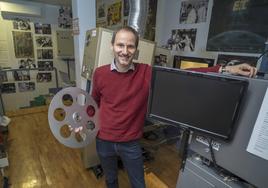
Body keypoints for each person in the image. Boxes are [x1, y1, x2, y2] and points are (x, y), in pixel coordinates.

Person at [90, 26, 257, 188]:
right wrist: (83, 123)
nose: (125, 51)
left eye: (130, 46)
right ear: (112, 46)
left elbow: (185, 74)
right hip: (104, 140)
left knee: (138, 183)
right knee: (111, 181)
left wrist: (225, 69)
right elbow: (93, 104)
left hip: (131, 143)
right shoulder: (99, 73)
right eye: (120, 45)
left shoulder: (146, 73)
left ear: (136, 49)